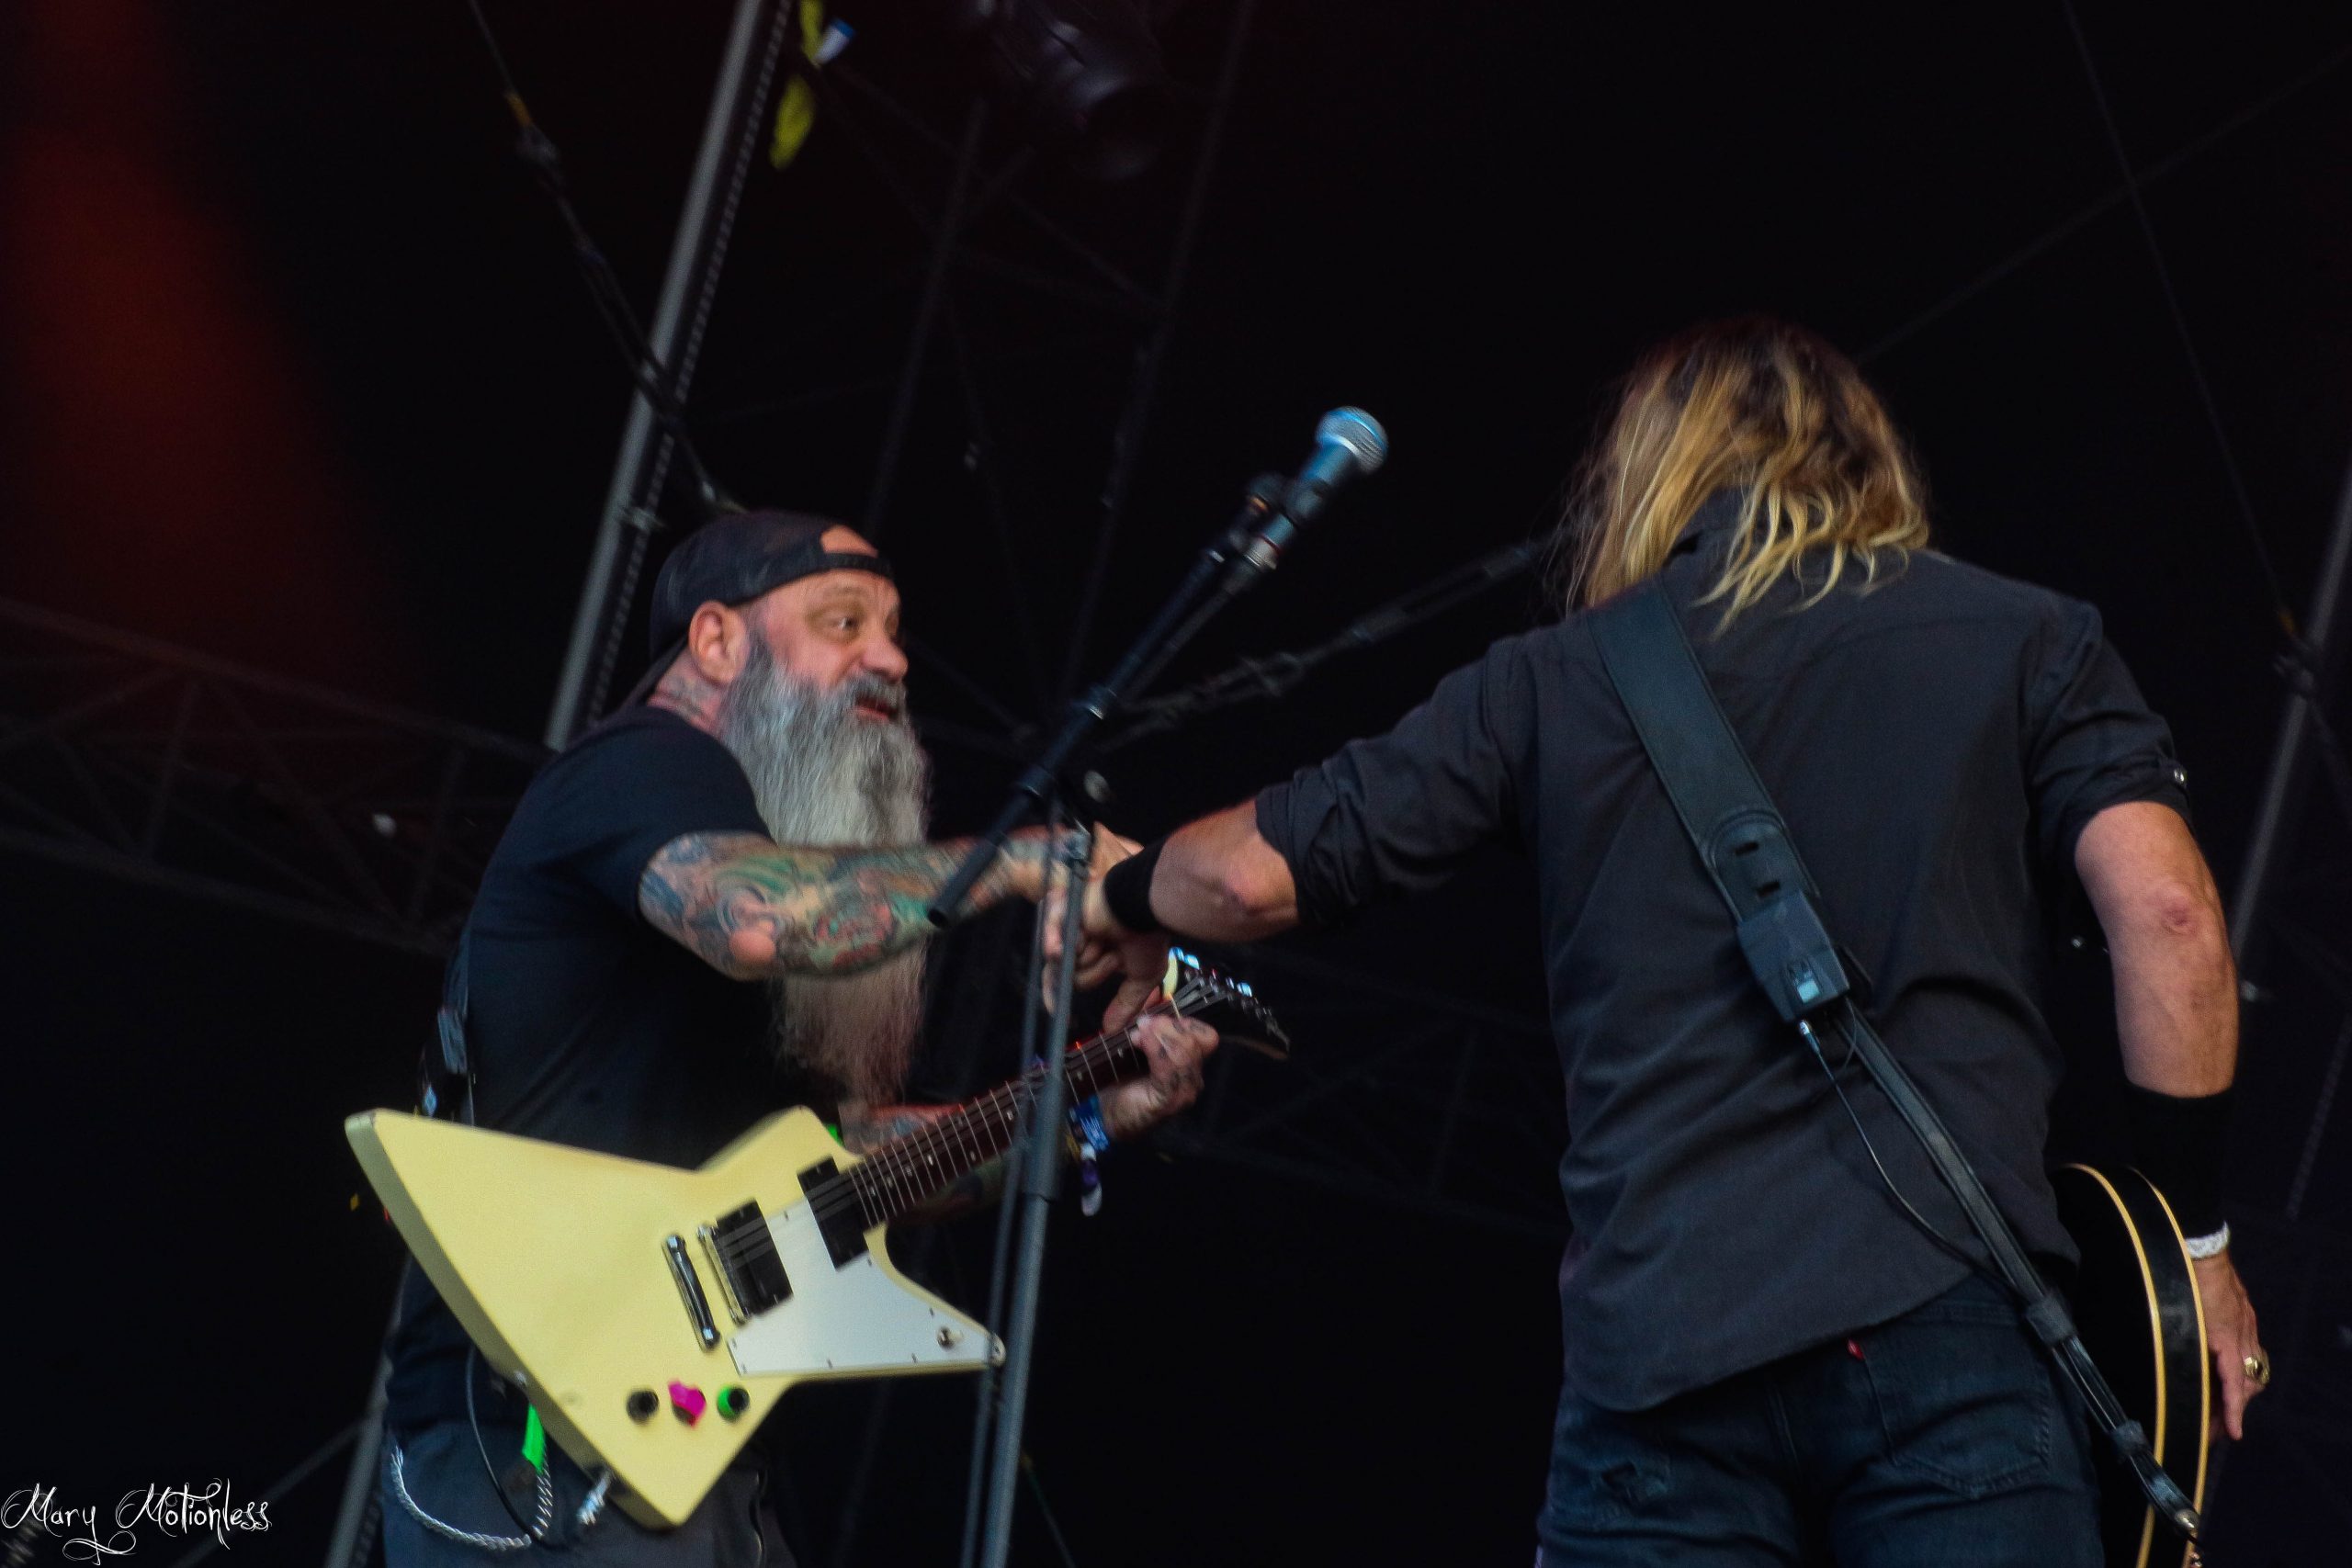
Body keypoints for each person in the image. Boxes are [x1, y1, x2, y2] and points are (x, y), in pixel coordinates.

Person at [1069, 319, 2266, 1566]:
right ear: (1869, 463)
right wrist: (2194, 1250)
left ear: (1654, 472)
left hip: (1662, 1356)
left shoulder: (1554, 677)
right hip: (1947, 1325)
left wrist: (1127, 891)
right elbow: (2169, 914)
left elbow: (1249, 877)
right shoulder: (2028, 637)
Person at [378, 511, 1216, 1566]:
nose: (891, 660)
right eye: (843, 621)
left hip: (689, 1451)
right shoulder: (644, 764)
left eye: (894, 632)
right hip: (535, 1444)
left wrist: (1088, 1111)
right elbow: (757, 919)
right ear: (717, 640)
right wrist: (1027, 859)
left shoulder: (756, 844)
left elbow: (842, 1166)